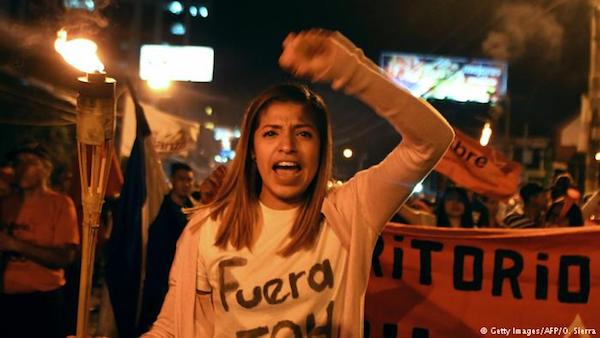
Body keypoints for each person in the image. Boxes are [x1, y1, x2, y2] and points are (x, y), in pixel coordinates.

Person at [143, 29, 454, 337]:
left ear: (321, 149)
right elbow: (172, 327)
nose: (287, 145)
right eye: (271, 132)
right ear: (252, 150)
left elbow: (432, 140)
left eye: (304, 133)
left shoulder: (350, 212)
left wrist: (351, 71)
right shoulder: (206, 230)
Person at [0, 143, 79, 338]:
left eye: (31, 162)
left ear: (46, 169)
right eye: (18, 162)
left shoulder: (60, 204)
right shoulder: (6, 203)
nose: (22, 168)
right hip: (6, 301)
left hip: (42, 301)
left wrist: (14, 244)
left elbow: (63, 258)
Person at [138, 161, 197, 334]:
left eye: (189, 180)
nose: (186, 184)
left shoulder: (193, 209)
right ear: (172, 180)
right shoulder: (158, 207)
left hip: (182, 276)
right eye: (182, 179)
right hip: (157, 275)